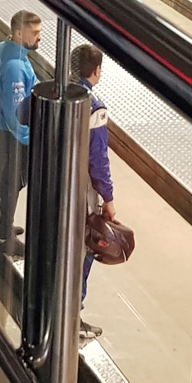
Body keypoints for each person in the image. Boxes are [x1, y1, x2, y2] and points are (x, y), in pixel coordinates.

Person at [68, 43, 119, 343]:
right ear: (96, 71)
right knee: (82, 254)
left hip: (54, 186)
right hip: (81, 195)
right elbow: (98, 161)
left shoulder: (56, 92)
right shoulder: (94, 108)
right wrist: (108, 199)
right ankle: (73, 319)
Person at [0, 10, 41, 256]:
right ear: (19, 33)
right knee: (12, 182)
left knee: (0, 172)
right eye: (35, 33)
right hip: (11, 133)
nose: (39, 37)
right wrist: (28, 138)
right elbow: (15, 112)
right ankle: (4, 235)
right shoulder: (16, 67)